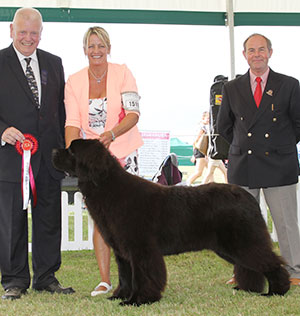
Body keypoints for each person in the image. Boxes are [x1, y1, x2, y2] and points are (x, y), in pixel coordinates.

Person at [0, 7, 74, 300]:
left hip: (48, 158)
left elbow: (61, 110)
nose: (28, 38)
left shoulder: (54, 63)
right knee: (12, 222)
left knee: (48, 220)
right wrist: (1, 130)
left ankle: (46, 277)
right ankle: (14, 280)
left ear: (41, 34)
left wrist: (65, 152)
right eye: (23, 32)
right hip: (10, 159)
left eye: (34, 33)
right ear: (11, 31)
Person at [64, 26, 143, 296]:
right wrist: (71, 155)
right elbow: (73, 123)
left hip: (123, 150)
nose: (96, 51)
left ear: (108, 48)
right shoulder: (74, 81)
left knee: (130, 220)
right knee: (101, 219)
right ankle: (105, 279)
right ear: (84, 49)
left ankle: (135, 277)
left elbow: (133, 114)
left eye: (101, 45)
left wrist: (111, 134)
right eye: (91, 46)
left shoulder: (123, 72)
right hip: (93, 162)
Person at [217, 33, 300, 286]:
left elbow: (298, 124)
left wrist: (279, 146)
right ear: (244, 55)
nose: (257, 55)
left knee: (286, 223)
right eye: (251, 50)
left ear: (270, 53)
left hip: (280, 164)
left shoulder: (289, 85)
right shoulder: (231, 87)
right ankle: (244, 272)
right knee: (242, 225)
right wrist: (244, 146)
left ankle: (295, 271)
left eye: (261, 50)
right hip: (244, 165)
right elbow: (224, 127)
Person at [186, 111, 209, 186]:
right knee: (199, 172)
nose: (209, 120)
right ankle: (187, 184)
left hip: (201, 151)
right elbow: (196, 140)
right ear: (203, 118)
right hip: (200, 151)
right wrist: (194, 154)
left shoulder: (202, 126)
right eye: (208, 118)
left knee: (210, 171)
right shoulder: (202, 127)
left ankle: (209, 185)